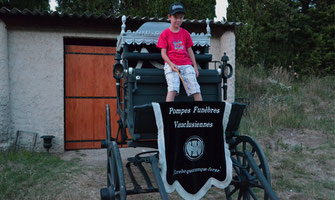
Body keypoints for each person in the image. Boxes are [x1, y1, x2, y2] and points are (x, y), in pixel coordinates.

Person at [157, 2, 203, 102]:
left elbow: (190, 51)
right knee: (173, 88)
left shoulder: (185, 33)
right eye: (176, 17)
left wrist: (195, 66)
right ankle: (168, 113)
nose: (178, 20)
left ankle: (201, 114)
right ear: (169, 17)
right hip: (171, 64)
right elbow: (163, 53)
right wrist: (171, 64)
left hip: (186, 64)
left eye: (181, 17)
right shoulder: (164, 34)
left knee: (195, 88)